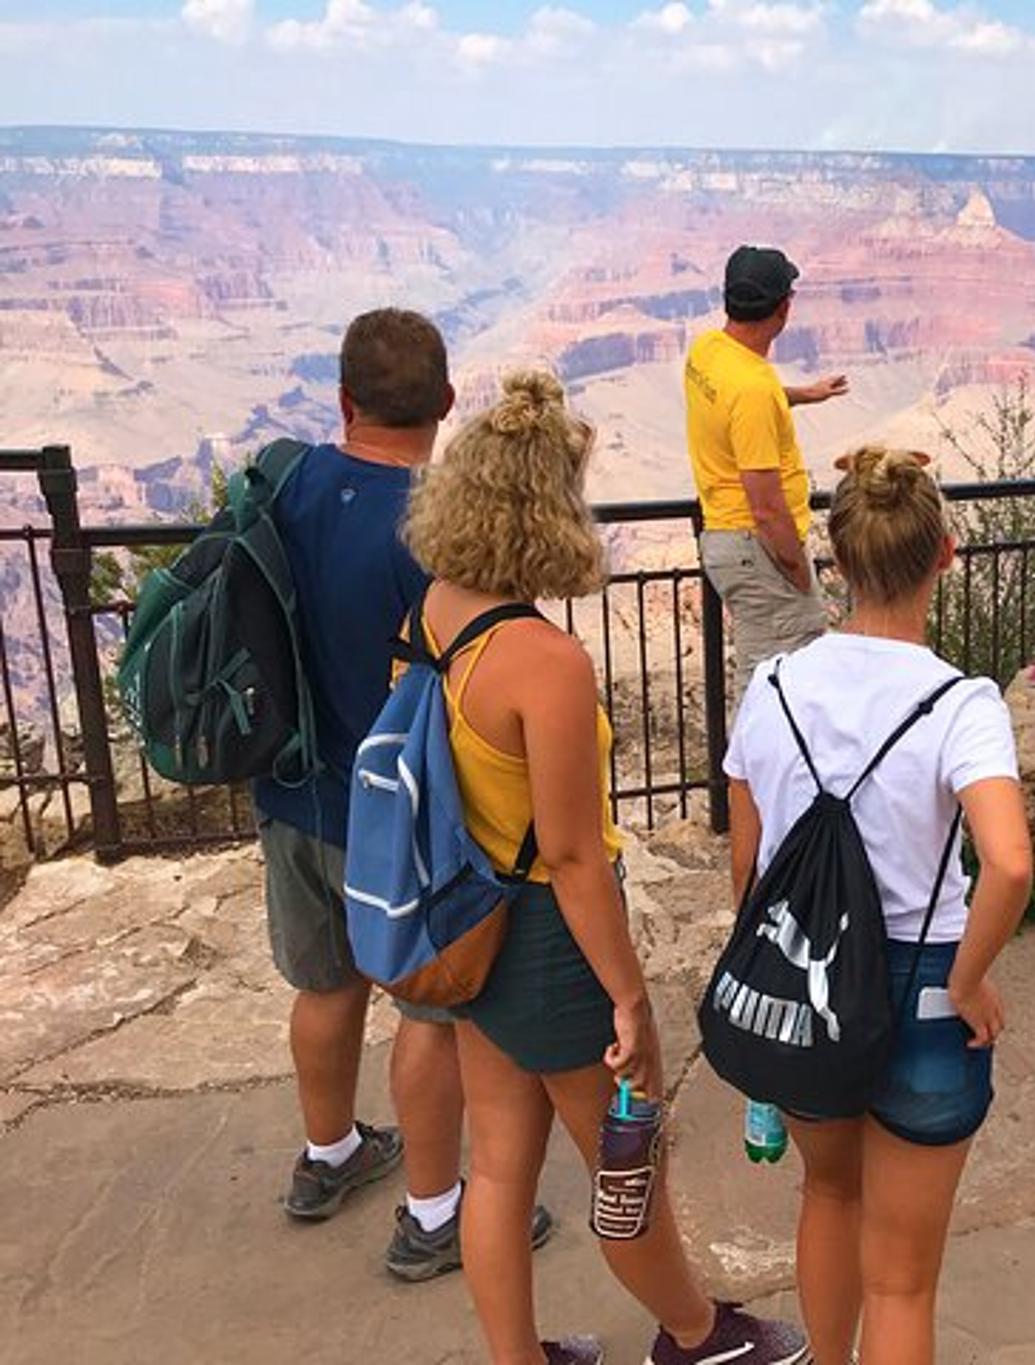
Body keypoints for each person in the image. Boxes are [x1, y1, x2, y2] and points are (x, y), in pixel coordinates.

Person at [405, 372, 808, 1365]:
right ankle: (696, 1335)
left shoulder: (434, 611)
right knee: (624, 1160)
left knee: (496, 1168)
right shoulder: (542, 660)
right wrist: (629, 999)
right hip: (546, 939)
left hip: (469, 921)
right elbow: (577, 855)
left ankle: (518, 1359)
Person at [251, 308, 553, 1278]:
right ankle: (432, 1213)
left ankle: (327, 1156)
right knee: (429, 1012)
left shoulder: (285, 486)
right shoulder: (430, 530)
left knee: (324, 984)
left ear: (341, 401)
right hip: (397, 818)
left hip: (293, 795)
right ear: (448, 404)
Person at [725, 446, 1033, 1365]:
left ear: (835, 563)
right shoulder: (961, 704)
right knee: (901, 1278)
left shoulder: (772, 687)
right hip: (926, 993)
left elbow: (749, 864)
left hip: (810, 974)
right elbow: (1009, 867)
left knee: (826, 1195)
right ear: (946, 553)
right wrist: (971, 979)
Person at [685, 244, 851, 684]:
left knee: (772, 677)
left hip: (727, 540)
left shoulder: (707, 350)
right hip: (758, 548)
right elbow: (766, 507)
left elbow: (736, 403)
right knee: (773, 684)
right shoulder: (753, 389)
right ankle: (748, 756)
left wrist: (801, 394)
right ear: (784, 307)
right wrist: (798, 569)